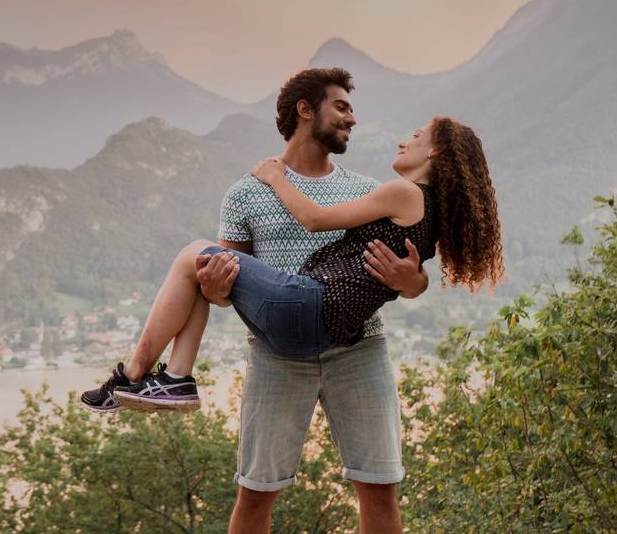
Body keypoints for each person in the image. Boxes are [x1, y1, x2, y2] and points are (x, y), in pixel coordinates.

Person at [80, 68, 504, 533]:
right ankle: (169, 378)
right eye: (341, 107)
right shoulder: (244, 194)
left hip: (357, 348)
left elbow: (408, 268)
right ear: (306, 110)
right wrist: (216, 288)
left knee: (380, 485)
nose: (352, 119)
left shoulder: (370, 189)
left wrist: (412, 280)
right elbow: (219, 288)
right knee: (256, 489)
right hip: (278, 350)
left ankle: (151, 377)